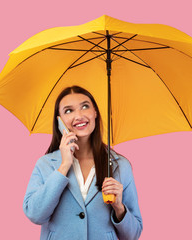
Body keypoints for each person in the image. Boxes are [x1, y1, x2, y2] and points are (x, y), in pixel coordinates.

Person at [23, 86, 143, 240]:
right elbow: (35, 214)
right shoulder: (46, 164)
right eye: (68, 111)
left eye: (85, 107)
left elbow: (134, 235)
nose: (78, 115)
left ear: (95, 113)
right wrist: (64, 166)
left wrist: (119, 208)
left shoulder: (120, 166)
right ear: (59, 120)